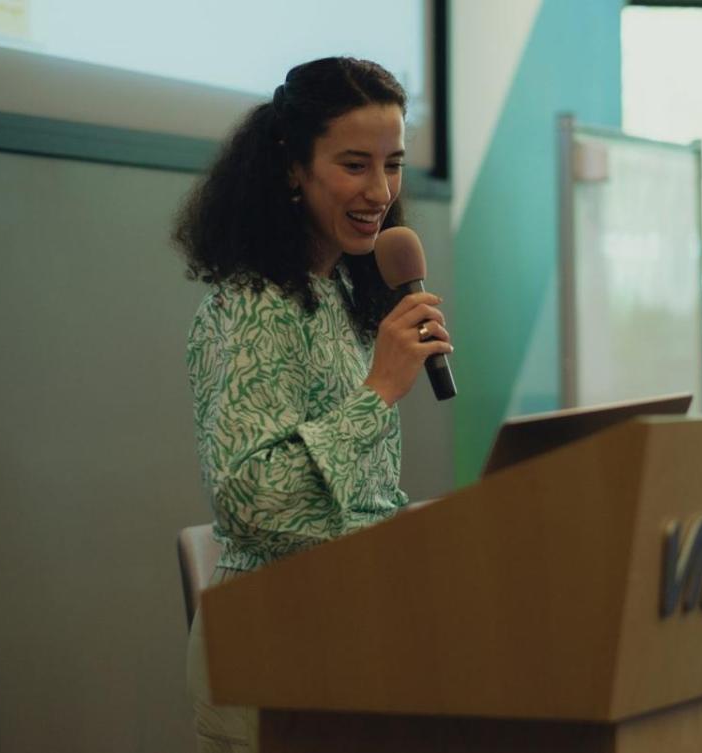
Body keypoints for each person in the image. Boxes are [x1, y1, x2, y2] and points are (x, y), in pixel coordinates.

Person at [172, 57, 454, 753]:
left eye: (393, 164)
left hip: (357, 632)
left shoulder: (346, 295)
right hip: (275, 647)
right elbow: (251, 500)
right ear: (292, 167)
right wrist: (379, 391)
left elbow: (352, 499)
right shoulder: (248, 307)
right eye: (355, 165)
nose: (381, 191)